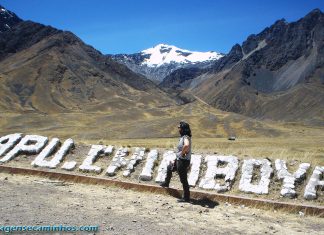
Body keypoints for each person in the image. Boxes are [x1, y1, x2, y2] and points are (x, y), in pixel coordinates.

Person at [160, 121, 192, 203]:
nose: (178, 129)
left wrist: (182, 153)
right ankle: (166, 183)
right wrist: (178, 156)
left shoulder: (186, 137)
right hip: (180, 159)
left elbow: (186, 145)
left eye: (179, 128)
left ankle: (186, 197)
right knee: (169, 167)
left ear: (183, 129)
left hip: (183, 161)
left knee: (183, 179)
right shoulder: (183, 137)